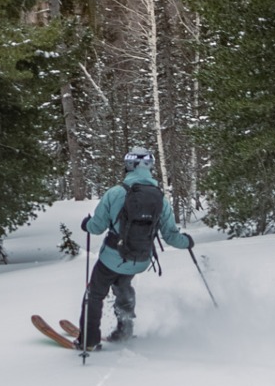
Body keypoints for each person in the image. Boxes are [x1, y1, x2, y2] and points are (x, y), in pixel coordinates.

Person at [78, 147, 191, 350]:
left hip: (112, 258)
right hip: (140, 259)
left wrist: (86, 224)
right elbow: (171, 236)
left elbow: (96, 227)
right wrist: (187, 241)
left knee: (95, 294)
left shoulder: (115, 193)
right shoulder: (160, 199)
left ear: (128, 166)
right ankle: (124, 330)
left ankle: (89, 340)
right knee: (123, 286)